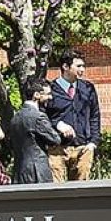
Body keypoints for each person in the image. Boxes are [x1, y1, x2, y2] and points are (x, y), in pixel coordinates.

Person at [45, 53, 101, 182]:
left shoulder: (88, 88)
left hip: (83, 147)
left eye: (83, 66)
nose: (82, 70)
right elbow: (43, 118)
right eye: (78, 66)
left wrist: (93, 142)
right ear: (65, 66)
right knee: (56, 190)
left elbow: (95, 115)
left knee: (81, 192)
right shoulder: (51, 90)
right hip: (57, 149)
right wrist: (58, 124)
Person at [6, 80, 64, 185]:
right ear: (36, 95)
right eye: (48, 94)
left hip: (19, 171)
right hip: (37, 171)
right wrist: (63, 132)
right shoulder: (38, 116)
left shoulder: (15, 117)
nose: (50, 98)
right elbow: (55, 139)